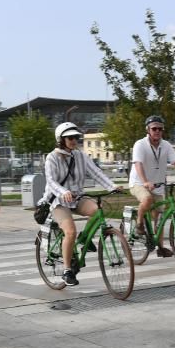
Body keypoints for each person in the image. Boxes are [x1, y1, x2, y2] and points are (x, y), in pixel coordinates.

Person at [45, 121, 117, 287]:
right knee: (70, 231)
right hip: (59, 200)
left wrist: (112, 186)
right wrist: (63, 192)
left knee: (98, 210)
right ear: (61, 139)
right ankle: (67, 270)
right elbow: (51, 181)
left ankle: (84, 239)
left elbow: (96, 173)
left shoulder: (81, 155)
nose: (73, 140)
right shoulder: (52, 157)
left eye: (76, 137)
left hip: (77, 197)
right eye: (69, 137)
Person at [129, 116, 175, 257]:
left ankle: (160, 248)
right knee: (147, 200)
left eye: (160, 128)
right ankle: (139, 224)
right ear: (148, 130)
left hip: (158, 185)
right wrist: (145, 181)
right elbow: (138, 164)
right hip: (139, 183)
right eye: (154, 128)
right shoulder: (140, 144)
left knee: (159, 216)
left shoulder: (166, 145)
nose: (157, 131)